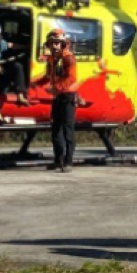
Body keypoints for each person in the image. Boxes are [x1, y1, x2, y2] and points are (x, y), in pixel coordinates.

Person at [45, 27, 81, 172]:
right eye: (51, 43)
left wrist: (56, 88)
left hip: (67, 97)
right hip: (58, 97)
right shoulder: (53, 60)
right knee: (55, 131)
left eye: (56, 43)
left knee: (68, 130)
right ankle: (58, 160)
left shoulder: (68, 58)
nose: (53, 46)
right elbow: (49, 76)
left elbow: (71, 78)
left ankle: (68, 162)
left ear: (62, 44)